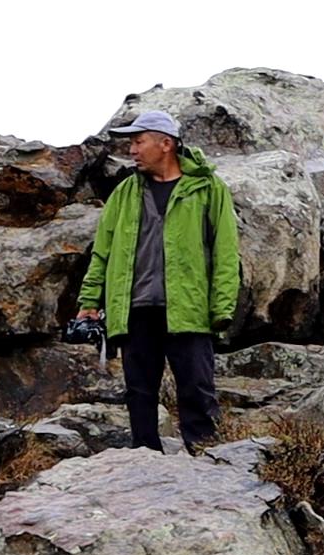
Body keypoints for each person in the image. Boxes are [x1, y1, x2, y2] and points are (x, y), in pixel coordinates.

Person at [75, 111, 240, 453]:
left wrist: (221, 308)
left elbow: (226, 253)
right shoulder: (125, 193)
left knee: (197, 392)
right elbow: (102, 252)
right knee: (139, 394)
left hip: (189, 310)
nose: (132, 150)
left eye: (139, 142)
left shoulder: (208, 189)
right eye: (131, 144)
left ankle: (206, 462)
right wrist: (89, 302)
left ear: (166, 144)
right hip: (135, 309)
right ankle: (145, 460)